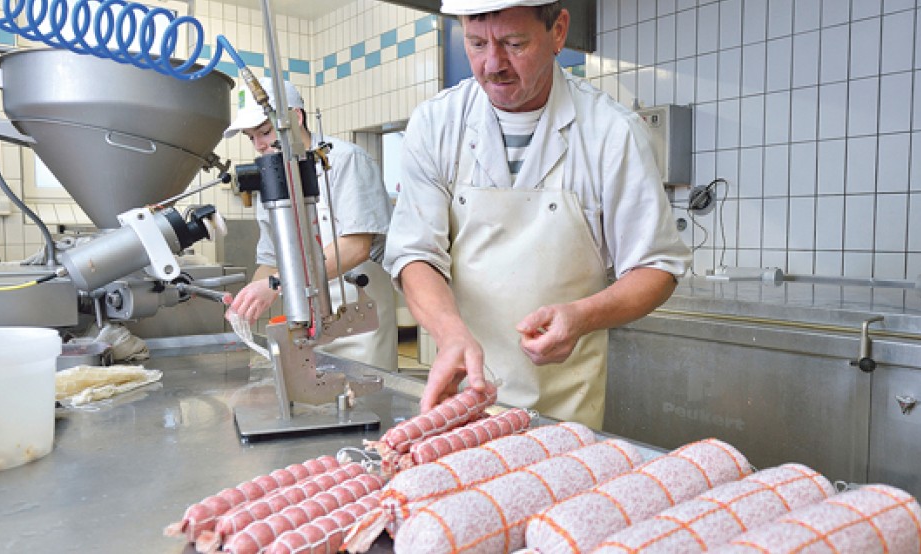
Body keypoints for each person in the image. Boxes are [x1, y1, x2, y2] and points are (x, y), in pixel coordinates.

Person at [383, 0, 691, 428]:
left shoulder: (611, 132)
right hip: (461, 402)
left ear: (558, 31)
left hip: (564, 412)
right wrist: (449, 333)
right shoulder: (437, 124)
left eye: (514, 43)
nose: (493, 65)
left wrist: (582, 317)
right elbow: (414, 253)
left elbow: (656, 266)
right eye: (476, 43)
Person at [224, 80, 398, 371]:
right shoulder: (271, 179)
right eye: (250, 137)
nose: (259, 145)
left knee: (363, 392)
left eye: (265, 132)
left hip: (358, 320)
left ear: (296, 118)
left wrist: (276, 284)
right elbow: (270, 259)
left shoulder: (345, 160)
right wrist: (248, 302)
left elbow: (356, 247)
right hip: (305, 323)